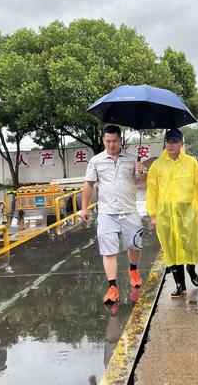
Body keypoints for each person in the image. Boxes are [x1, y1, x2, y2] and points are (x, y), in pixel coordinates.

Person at [81, 125, 146, 304]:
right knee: (108, 250)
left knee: (135, 245)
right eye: (108, 141)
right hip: (107, 213)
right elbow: (88, 184)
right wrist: (84, 207)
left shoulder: (132, 159)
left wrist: (141, 172)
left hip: (129, 210)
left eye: (114, 141)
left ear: (120, 140)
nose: (111, 145)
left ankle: (133, 269)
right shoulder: (96, 161)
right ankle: (112, 287)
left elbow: (140, 182)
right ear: (103, 141)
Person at [146, 128, 198, 299]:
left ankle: (191, 268)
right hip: (165, 213)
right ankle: (179, 284)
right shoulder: (157, 166)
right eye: (168, 141)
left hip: (187, 211)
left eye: (175, 141)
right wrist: (153, 214)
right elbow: (152, 191)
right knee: (170, 247)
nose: (171, 144)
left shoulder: (191, 162)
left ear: (181, 143)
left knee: (191, 243)